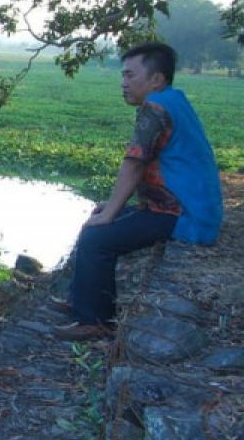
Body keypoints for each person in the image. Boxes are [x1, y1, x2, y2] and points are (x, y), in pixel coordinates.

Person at [59, 41, 223, 340]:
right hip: (184, 207)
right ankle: (80, 301)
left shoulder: (156, 107)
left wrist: (111, 212)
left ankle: (96, 320)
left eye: (130, 75)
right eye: (123, 76)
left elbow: (134, 164)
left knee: (98, 237)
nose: (123, 83)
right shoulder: (174, 100)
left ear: (156, 79)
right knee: (101, 216)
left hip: (183, 214)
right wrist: (110, 207)